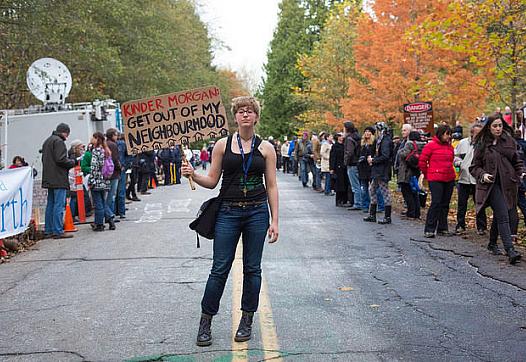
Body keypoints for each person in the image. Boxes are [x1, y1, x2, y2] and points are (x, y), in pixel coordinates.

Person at [181, 96, 279, 347]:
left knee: (252, 269)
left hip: (257, 213)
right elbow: (212, 181)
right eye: (241, 111)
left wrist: (275, 220)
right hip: (228, 212)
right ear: (235, 117)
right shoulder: (222, 146)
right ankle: (205, 322)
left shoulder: (266, 148)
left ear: (256, 117)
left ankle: (246, 320)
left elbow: (272, 186)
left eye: (250, 111)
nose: (245, 115)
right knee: (220, 268)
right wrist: (193, 174)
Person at [470, 115, 522, 264]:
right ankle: (510, 250)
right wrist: (483, 175)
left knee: (502, 214)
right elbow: (474, 167)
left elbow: (516, 161)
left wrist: (521, 173)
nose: (498, 129)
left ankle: (492, 243)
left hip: (508, 184)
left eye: (500, 125)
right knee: (503, 215)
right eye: (494, 126)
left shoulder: (509, 141)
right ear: (489, 127)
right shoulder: (482, 144)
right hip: (491, 186)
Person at [418, 124, 456, 238]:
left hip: (449, 178)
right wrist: (427, 173)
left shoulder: (450, 147)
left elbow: (452, 160)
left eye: (450, 134)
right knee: (436, 202)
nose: (448, 136)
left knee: (445, 204)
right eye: (447, 134)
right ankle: (429, 228)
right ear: (441, 134)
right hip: (435, 178)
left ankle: (442, 228)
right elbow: (422, 161)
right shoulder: (431, 146)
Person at [41, 123, 76, 239]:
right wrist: (72, 162)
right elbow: (61, 160)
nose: (67, 137)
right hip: (59, 178)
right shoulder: (59, 142)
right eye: (67, 134)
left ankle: (48, 230)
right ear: (64, 132)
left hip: (48, 177)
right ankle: (58, 230)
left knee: (50, 204)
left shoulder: (47, 141)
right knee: (59, 205)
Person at [454, 123, 487, 234]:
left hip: (477, 180)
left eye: (480, 133)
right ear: (471, 133)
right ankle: (460, 225)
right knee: (462, 204)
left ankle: (481, 227)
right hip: (464, 178)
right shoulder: (462, 143)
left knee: (479, 203)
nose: (477, 135)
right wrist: (458, 162)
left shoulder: (485, 145)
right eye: (475, 133)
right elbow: (455, 156)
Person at [363, 122, 393, 224]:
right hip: (377, 170)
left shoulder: (385, 141)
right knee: (372, 189)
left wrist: (373, 160)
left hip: (382, 170)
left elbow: (385, 156)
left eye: (375, 130)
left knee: (385, 191)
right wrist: (371, 158)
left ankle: (387, 217)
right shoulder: (379, 140)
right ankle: (372, 215)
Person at [88, 132, 115, 231]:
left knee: (98, 203)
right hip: (105, 179)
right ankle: (110, 219)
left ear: (96, 138)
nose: (91, 139)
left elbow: (94, 167)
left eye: (93, 137)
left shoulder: (96, 151)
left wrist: (91, 181)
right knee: (103, 202)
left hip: (97, 180)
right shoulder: (106, 150)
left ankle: (99, 224)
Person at [397, 131, 426, 219]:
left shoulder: (409, 144)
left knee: (407, 192)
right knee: (414, 193)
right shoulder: (423, 145)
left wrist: (400, 151)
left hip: (406, 171)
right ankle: (417, 213)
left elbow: (403, 154)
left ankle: (411, 212)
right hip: (415, 170)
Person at [344, 121, 362, 210]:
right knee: (360, 184)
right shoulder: (358, 137)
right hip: (358, 162)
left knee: (355, 185)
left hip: (352, 163)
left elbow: (349, 152)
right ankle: (361, 201)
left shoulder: (349, 139)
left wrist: (346, 162)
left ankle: (358, 203)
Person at [105, 128, 121, 222]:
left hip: (107, 172)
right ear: (112, 135)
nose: (117, 137)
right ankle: (109, 214)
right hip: (113, 173)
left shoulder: (105, 144)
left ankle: (109, 214)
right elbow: (115, 159)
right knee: (111, 195)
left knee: (108, 195)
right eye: (115, 135)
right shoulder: (113, 145)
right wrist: (120, 167)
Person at [329, 133, 349, 206]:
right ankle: (339, 200)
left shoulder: (345, 145)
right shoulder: (335, 146)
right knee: (339, 184)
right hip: (338, 167)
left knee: (345, 183)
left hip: (345, 166)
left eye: (342, 136)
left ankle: (345, 199)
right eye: (339, 137)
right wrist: (331, 168)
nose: (341, 138)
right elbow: (332, 157)